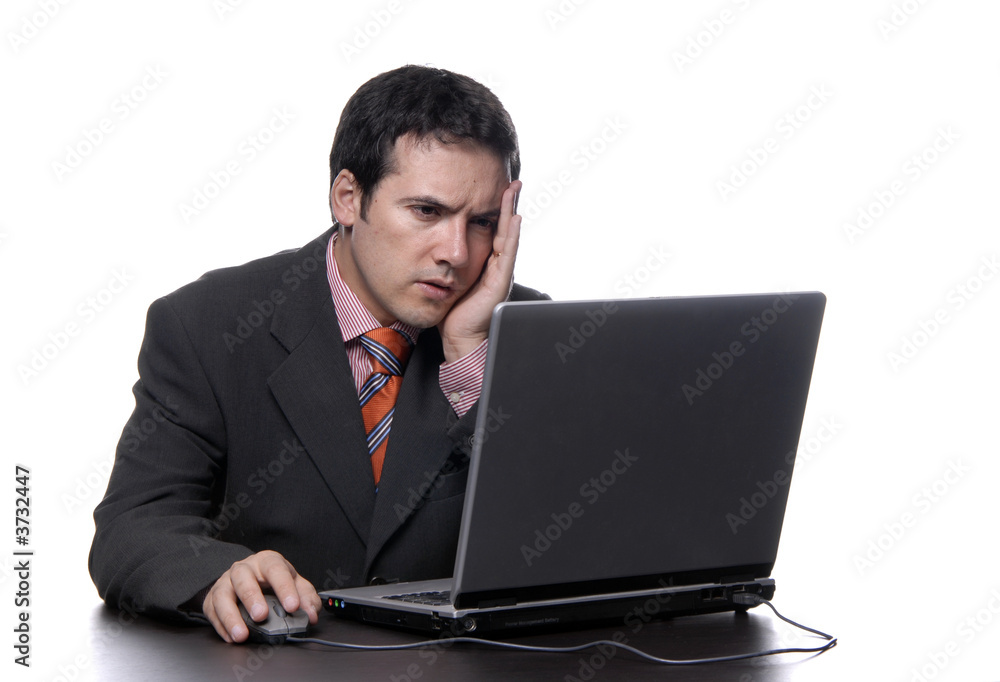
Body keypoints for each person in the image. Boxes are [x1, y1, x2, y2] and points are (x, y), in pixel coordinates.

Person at [89, 65, 547, 643]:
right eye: (427, 212)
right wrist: (217, 577)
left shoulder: (528, 332)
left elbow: (567, 538)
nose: (455, 253)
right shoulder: (206, 325)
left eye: (481, 223)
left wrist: (468, 358)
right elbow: (132, 528)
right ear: (348, 197)